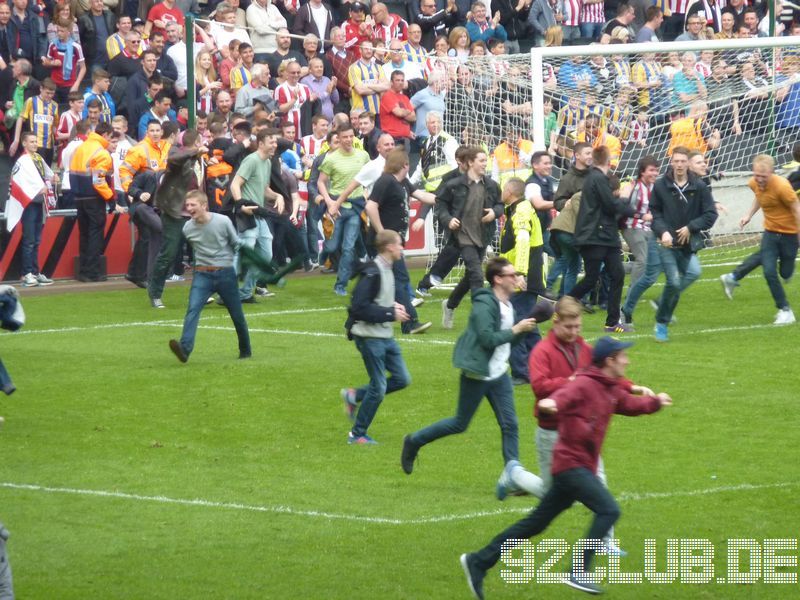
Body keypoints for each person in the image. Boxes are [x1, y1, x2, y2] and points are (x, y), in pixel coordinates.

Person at [460, 337, 672, 598]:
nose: (628, 360)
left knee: (533, 524)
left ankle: (478, 561)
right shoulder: (584, 384)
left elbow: (629, 404)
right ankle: (579, 570)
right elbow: (560, 398)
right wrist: (550, 405)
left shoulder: (610, 387)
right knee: (608, 510)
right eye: (623, 356)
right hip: (572, 466)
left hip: (575, 469)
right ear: (610, 360)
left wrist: (655, 403)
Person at [402, 257, 540, 481]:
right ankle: (414, 441)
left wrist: (524, 330)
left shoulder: (509, 305)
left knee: (510, 424)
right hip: (478, 373)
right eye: (512, 275)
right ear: (498, 279)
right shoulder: (484, 305)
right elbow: (487, 339)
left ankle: (513, 476)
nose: (516, 278)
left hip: (498, 373)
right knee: (460, 423)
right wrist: (516, 330)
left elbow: (508, 342)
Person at [341, 229, 411, 445]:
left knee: (402, 379)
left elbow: (378, 301)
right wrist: (390, 313)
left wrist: (392, 307)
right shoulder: (373, 271)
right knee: (379, 387)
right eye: (399, 243)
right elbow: (359, 308)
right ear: (389, 247)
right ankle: (357, 434)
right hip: (369, 337)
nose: (402, 247)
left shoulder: (388, 268)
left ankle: (354, 395)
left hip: (384, 335)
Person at [169, 190, 251, 364]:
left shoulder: (222, 221)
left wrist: (246, 261)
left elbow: (236, 244)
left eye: (193, 205)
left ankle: (245, 350)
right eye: (187, 205)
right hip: (202, 274)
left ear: (204, 205)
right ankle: (184, 349)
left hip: (226, 274)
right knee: (193, 310)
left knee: (237, 315)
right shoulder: (187, 228)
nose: (189, 208)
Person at [719, 155, 799, 325]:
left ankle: (734, 276)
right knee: (769, 271)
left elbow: (796, 209)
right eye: (757, 175)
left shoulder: (782, 187)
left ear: (771, 173)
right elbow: (758, 195)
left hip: (790, 234)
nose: (760, 180)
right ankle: (785, 310)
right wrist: (748, 215)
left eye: (764, 177)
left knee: (786, 273)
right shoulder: (754, 183)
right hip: (770, 233)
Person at [650, 146, 718, 342]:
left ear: (688, 163)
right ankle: (661, 323)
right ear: (671, 162)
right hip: (666, 244)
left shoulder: (699, 186)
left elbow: (711, 214)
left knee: (681, 281)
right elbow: (655, 213)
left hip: (687, 244)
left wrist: (691, 227)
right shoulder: (662, 185)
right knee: (673, 281)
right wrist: (663, 231)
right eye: (676, 161)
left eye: (682, 161)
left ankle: (665, 310)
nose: (679, 165)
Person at [567, 145, 636, 333]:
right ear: (609, 159)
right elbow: (610, 204)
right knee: (591, 279)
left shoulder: (598, 178)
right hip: (595, 236)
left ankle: (612, 322)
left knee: (617, 274)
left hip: (605, 236)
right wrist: (627, 201)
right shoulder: (597, 178)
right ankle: (563, 304)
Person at [365, 148, 433, 334]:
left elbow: (422, 196)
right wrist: (382, 233)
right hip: (385, 244)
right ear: (405, 164)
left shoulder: (402, 182)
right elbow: (370, 206)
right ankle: (409, 323)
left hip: (391, 244)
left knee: (381, 281)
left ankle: (361, 315)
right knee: (400, 280)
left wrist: (445, 199)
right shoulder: (386, 180)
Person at [439, 146, 502, 329]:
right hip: (462, 236)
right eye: (481, 160)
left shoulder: (491, 185)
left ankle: (450, 305)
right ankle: (480, 318)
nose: (485, 163)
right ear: (470, 162)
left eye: (485, 160)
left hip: (482, 236)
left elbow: (499, 205)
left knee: (470, 276)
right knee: (476, 274)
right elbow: (440, 204)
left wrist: (494, 213)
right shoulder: (453, 184)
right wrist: (448, 219)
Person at [497, 176, 545, 386]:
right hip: (522, 277)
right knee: (527, 324)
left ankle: (522, 372)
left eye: (503, 188)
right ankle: (544, 365)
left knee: (515, 323)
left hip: (522, 278)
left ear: (510, 191)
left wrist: (519, 273)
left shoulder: (522, 211)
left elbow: (524, 240)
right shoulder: (518, 209)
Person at [317, 124, 370, 296]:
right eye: (344, 137)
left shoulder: (363, 156)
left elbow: (368, 178)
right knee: (332, 247)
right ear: (338, 139)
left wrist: (367, 194)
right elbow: (320, 182)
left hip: (355, 207)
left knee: (348, 248)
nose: (348, 140)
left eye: (350, 136)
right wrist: (329, 201)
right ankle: (324, 252)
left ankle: (341, 284)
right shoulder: (331, 159)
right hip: (336, 208)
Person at [230, 128, 282, 303]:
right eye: (271, 142)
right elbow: (235, 184)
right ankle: (226, 291)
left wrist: (278, 196)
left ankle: (244, 293)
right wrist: (240, 205)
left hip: (259, 214)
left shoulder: (267, 162)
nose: (275, 145)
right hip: (247, 214)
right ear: (261, 143)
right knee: (244, 253)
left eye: (275, 142)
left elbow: (264, 189)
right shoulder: (251, 160)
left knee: (265, 256)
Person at [69, 122, 118, 282]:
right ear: (105, 135)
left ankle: (83, 271)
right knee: (95, 235)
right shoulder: (101, 153)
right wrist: (110, 198)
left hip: (79, 197)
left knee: (84, 234)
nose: (111, 141)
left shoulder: (80, 148)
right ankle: (92, 271)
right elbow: (99, 181)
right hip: (94, 198)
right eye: (111, 138)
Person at [13, 132, 57, 287]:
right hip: (29, 204)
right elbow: (21, 183)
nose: (34, 144)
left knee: (36, 240)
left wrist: (53, 177)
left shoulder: (38, 158)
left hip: (39, 203)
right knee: (30, 240)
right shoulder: (23, 161)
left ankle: (35, 272)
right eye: (31, 141)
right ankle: (26, 273)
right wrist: (38, 188)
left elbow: (47, 173)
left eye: (35, 141)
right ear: (24, 143)